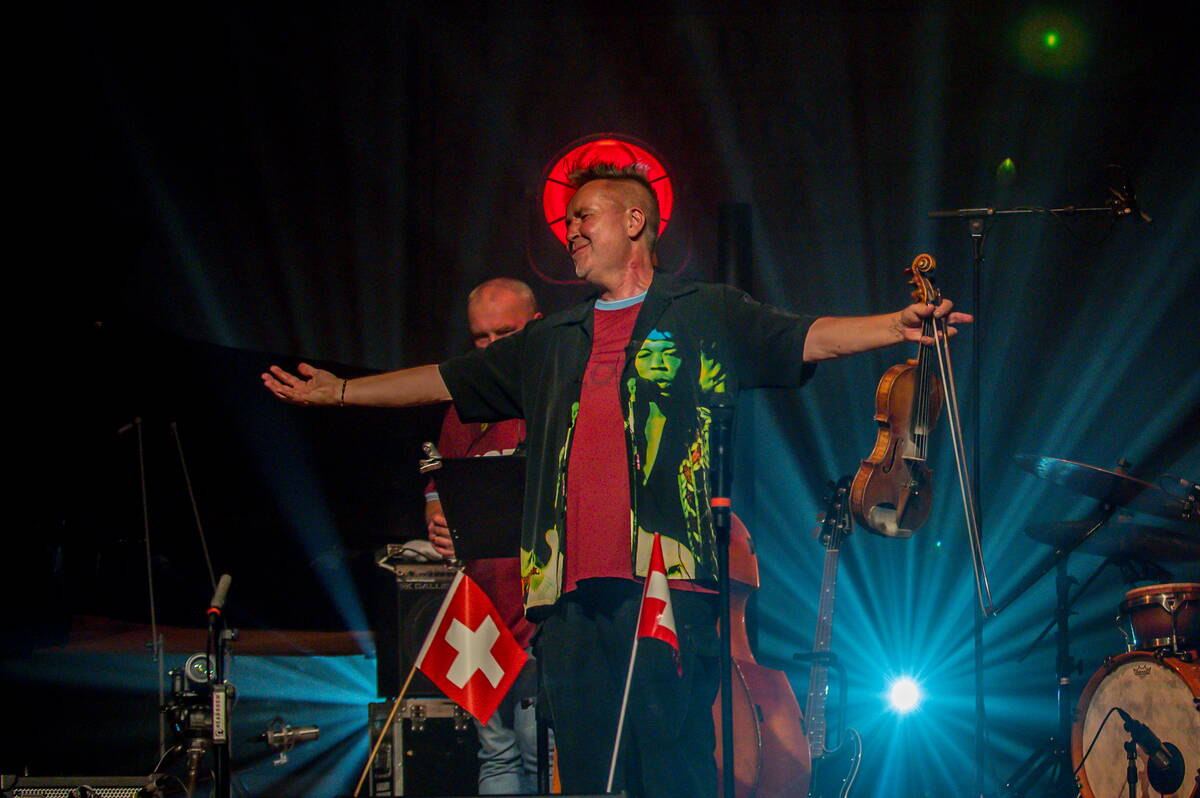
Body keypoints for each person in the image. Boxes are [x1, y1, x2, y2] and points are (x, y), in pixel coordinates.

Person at [262, 162, 971, 798]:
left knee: (672, 767)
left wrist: (895, 325)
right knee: (590, 772)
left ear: (634, 222)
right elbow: (446, 379)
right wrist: (344, 394)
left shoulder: (700, 312)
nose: (570, 231)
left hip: (667, 584)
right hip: (568, 594)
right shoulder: (552, 338)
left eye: (583, 217)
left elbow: (803, 336)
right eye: (570, 220)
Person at [423, 277, 542, 795]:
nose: (492, 348)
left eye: (505, 334)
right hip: (481, 610)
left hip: (541, 612)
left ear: (536, 329)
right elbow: (438, 483)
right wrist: (436, 517)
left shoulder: (553, 397)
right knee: (496, 756)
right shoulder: (461, 408)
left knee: (541, 754)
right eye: (481, 338)